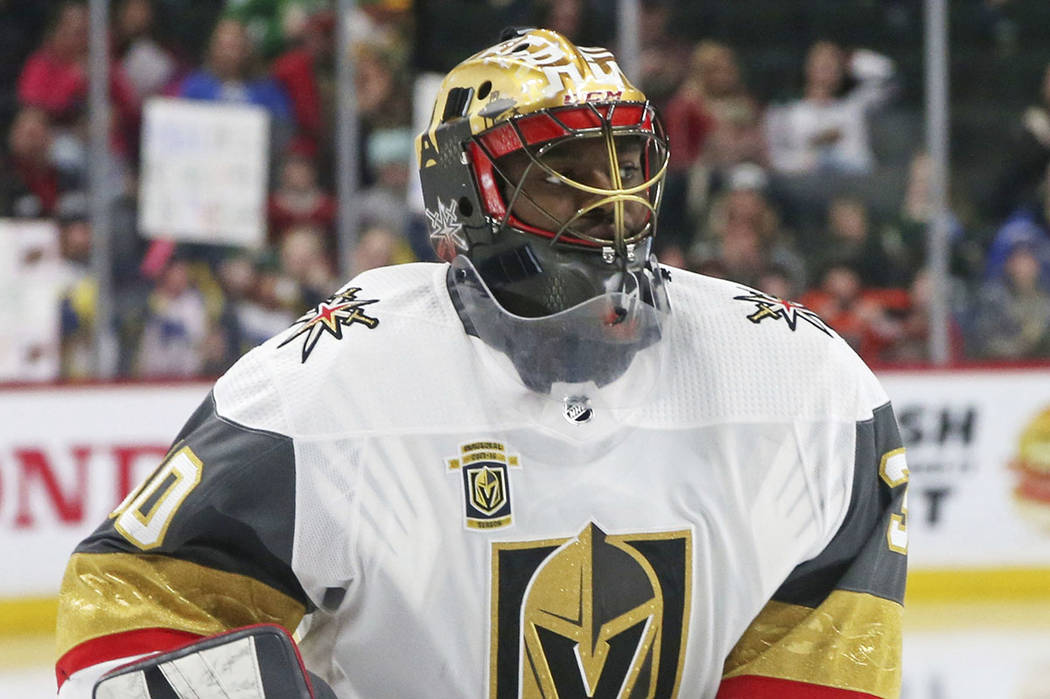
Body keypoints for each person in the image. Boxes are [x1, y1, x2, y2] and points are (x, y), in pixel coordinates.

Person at [55, 29, 907, 698]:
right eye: (559, 174)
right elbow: (132, 601)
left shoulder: (803, 385)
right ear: (463, 197)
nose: (609, 207)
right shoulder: (332, 383)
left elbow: (822, 638)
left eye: (624, 167)